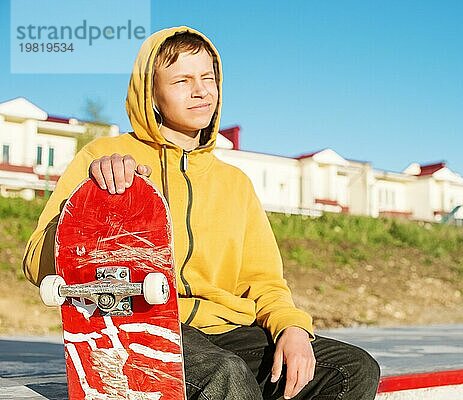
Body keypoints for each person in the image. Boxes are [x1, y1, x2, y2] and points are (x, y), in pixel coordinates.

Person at [22, 26, 380, 399]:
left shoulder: (234, 182)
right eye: (182, 80)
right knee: (225, 375)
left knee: (349, 370)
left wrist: (291, 327)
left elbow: (264, 281)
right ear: (152, 94)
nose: (201, 91)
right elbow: (36, 263)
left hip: (227, 330)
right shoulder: (102, 158)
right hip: (136, 322)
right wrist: (90, 202)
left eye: (208, 78)